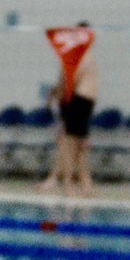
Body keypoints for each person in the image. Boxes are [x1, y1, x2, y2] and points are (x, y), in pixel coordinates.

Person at [46, 47, 96, 197]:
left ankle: (83, 183)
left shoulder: (85, 56)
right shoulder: (78, 57)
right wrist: (56, 97)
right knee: (70, 145)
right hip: (76, 101)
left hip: (83, 102)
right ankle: (67, 184)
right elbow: (67, 80)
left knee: (79, 146)